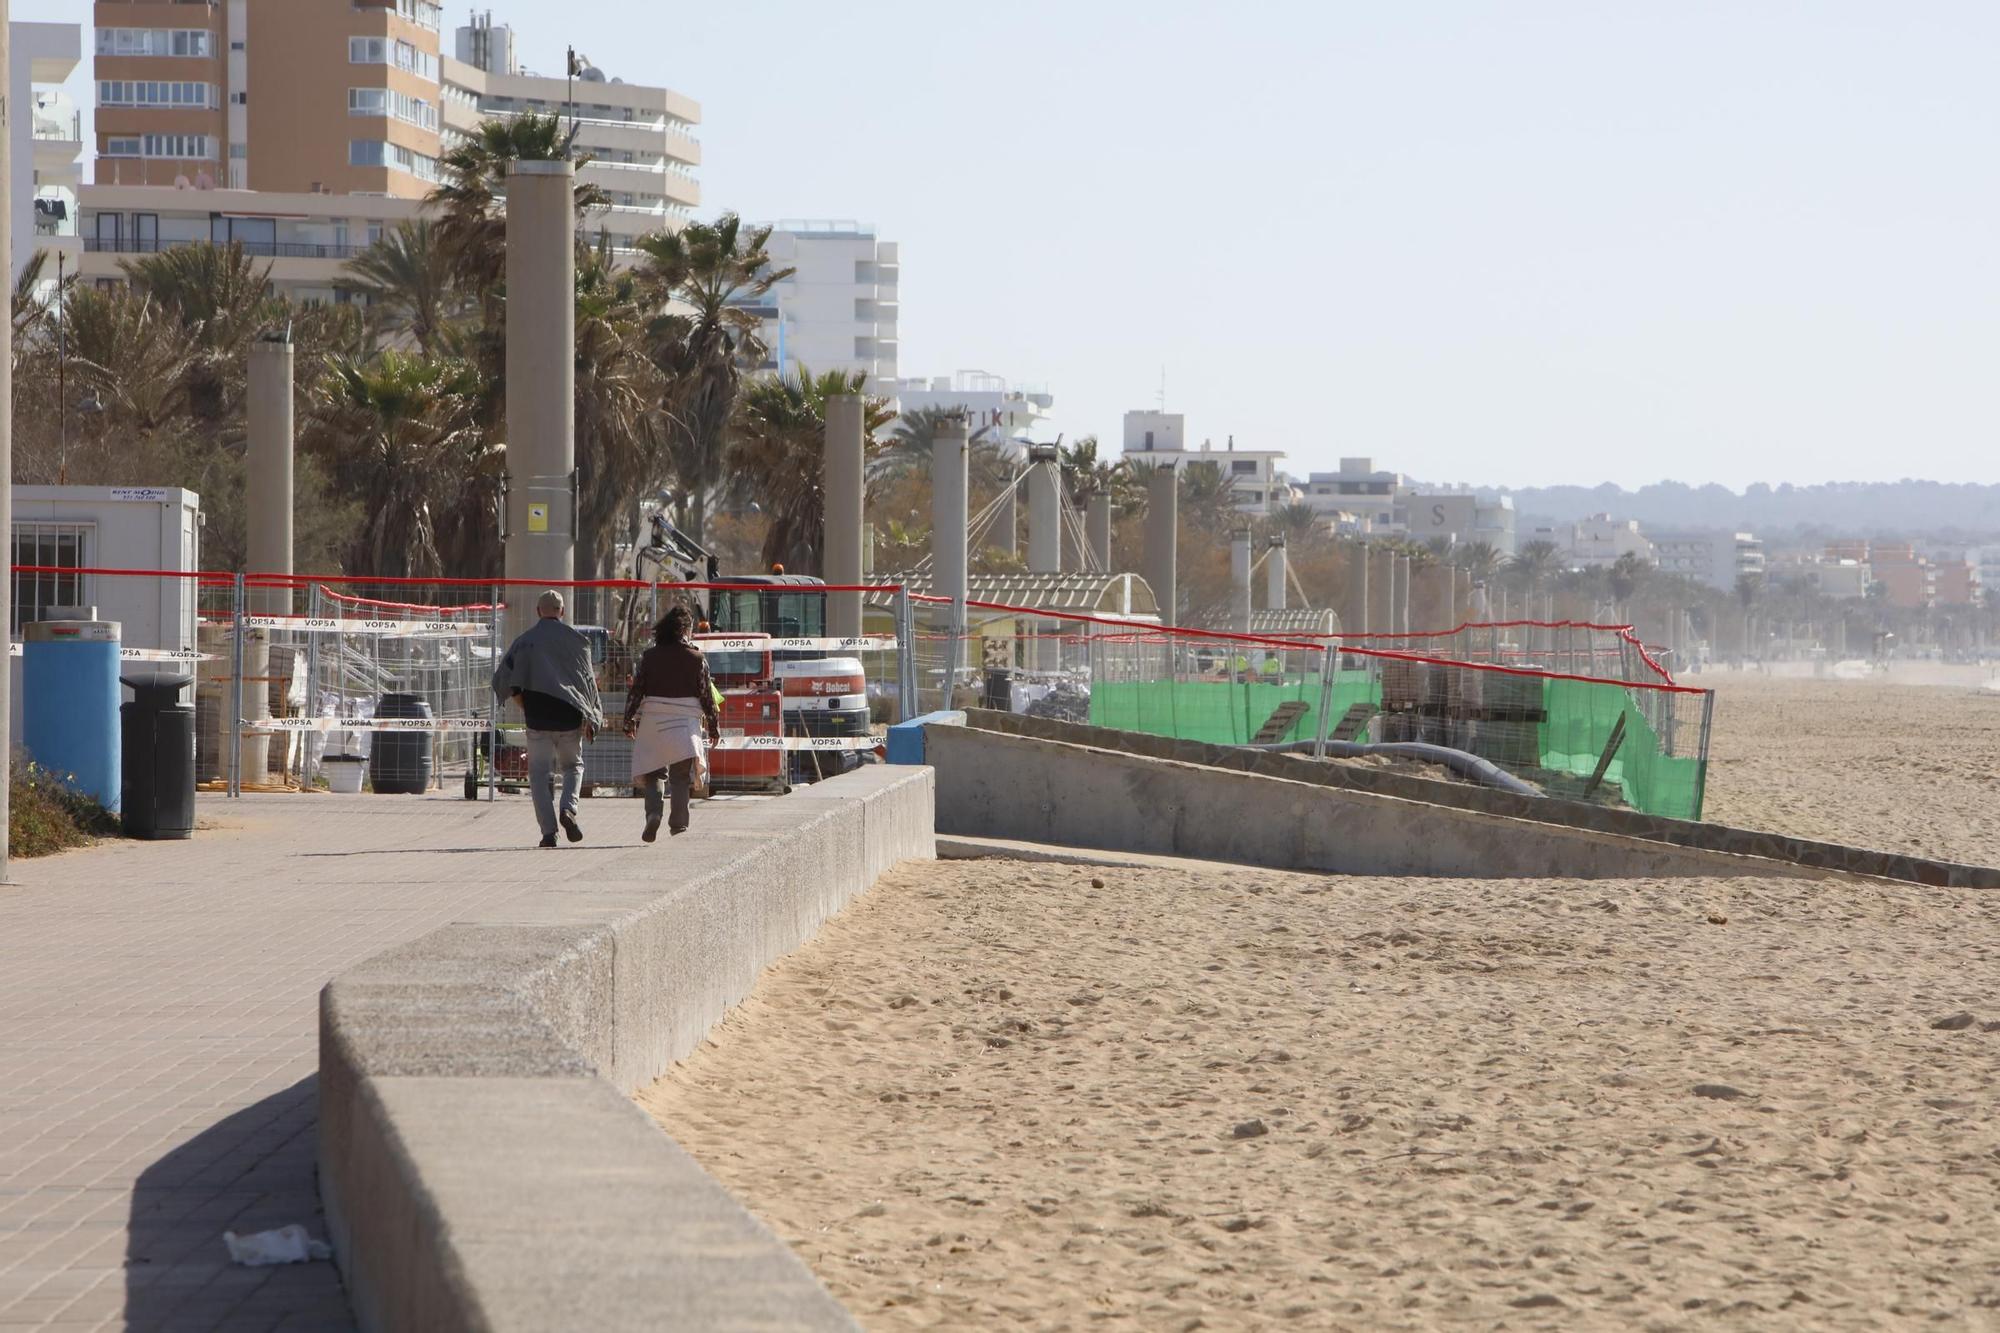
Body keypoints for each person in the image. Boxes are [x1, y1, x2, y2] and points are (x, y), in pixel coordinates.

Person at [492, 590, 603, 849]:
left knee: (539, 776)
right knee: (573, 766)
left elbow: (507, 680)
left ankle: (548, 833)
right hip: (569, 718)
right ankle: (569, 808)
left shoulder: (525, 642)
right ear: (562, 612)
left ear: (538, 611)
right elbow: (588, 684)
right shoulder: (578, 642)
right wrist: (592, 716)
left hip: (538, 719)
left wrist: (526, 706)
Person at [624, 606, 721, 842]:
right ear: (687, 630)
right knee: (679, 777)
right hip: (684, 725)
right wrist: (714, 725)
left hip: (653, 722)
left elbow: (637, 691)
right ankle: (678, 826)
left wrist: (629, 719)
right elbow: (706, 695)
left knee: (655, 772)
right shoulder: (697, 658)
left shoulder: (649, 657)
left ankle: (653, 814)